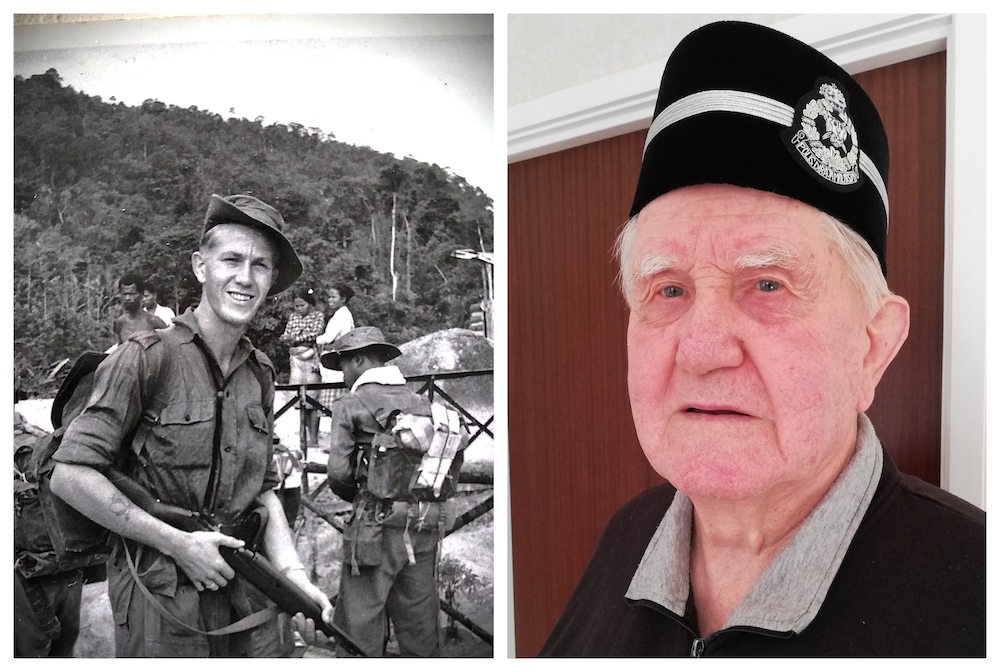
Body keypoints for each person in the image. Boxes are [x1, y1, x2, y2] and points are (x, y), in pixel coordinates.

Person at [539, 21, 985, 657]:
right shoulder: (626, 537)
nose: (702, 349)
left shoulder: (976, 598)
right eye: (669, 290)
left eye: (768, 285)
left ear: (872, 346)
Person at [49, 193, 335, 657]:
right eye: (232, 260)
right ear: (201, 266)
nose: (245, 277)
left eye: (261, 265)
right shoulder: (145, 358)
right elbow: (70, 475)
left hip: (243, 587)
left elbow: (262, 489)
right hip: (161, 596)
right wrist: (178, 543)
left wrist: (296, 580)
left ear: (272, 281)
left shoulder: (260, 372)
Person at [317, 326, 449, 657]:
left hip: (373, 529)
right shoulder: (421, 402)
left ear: (359, 360)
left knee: (359, 622)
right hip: (422, 523)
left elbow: (338, 474)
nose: (343, 373)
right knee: (419, 619)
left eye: (344, 364)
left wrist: (365, 498)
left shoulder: (350, 404)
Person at [279, 287, 325, 448]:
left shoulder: (317, 316)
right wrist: (288, 338)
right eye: (296, 306)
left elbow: (315, 334)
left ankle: (314, 438)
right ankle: (303, 436)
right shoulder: (293, 317)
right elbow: (286, 334)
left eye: (302, 305)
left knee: (313, 398)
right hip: (296, 359)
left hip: (311, 358)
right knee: (300, 397)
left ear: (310, 304)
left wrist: (296, 338)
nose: (299, 309)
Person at [315, 283, 356, 410]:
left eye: (333, 297)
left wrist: (316, 339)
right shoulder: (342, 314)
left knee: (333, 399)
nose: (330, 300)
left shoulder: (342, 315)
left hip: (335, 357)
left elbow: (328, 338)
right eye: (329, 297)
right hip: (337, 356)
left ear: (343, 299)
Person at [113, 273, 167, 344]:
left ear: (141, 295)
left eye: (132, 294)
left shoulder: (154, 322)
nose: (127, 298)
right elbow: (121, 351)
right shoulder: (120, 323)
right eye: (124, 294)